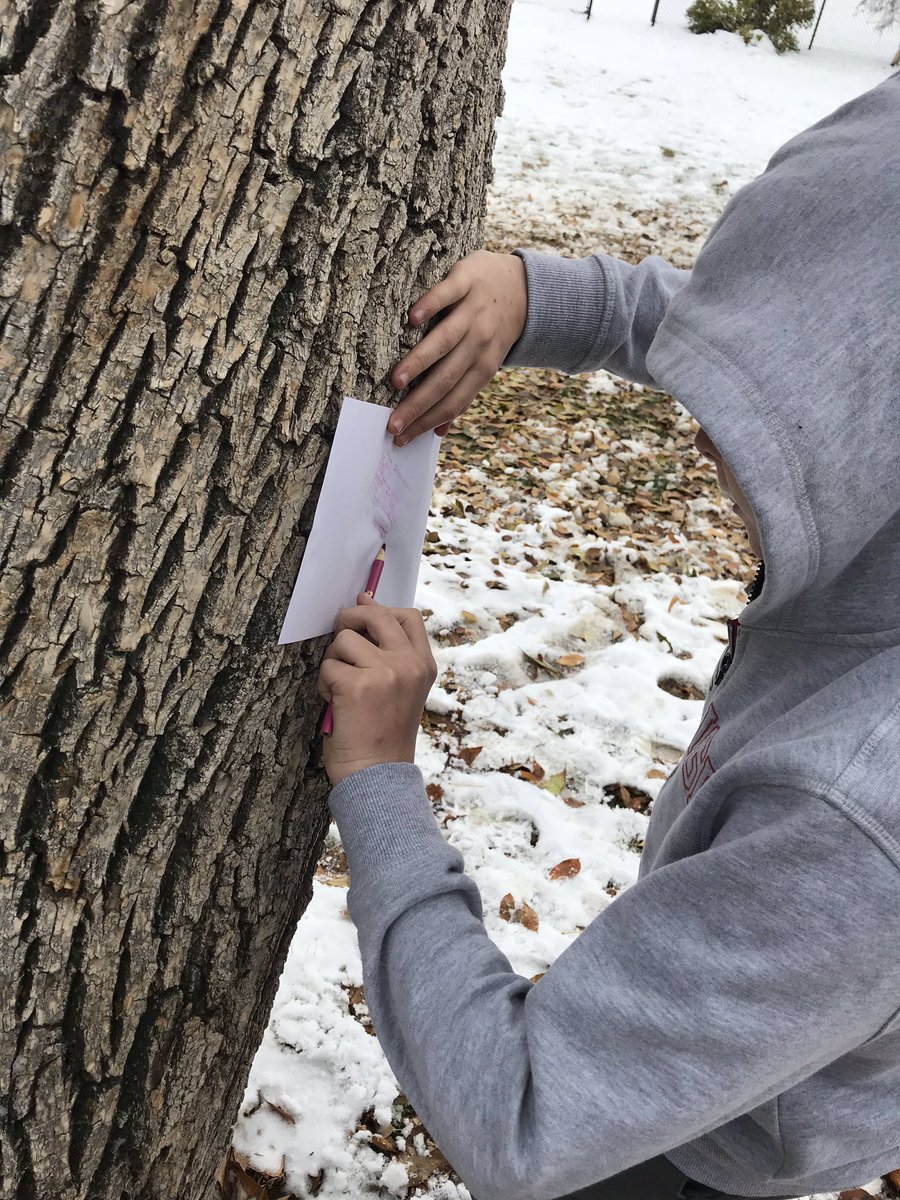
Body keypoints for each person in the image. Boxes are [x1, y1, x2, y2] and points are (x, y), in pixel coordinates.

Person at [315, 76, 900, 1200]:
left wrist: (381, 780)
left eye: (761, 417)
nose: (700, 429)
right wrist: (543, 296)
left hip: (701, 1154)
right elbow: (771, 321)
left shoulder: (853, 820)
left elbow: (526, 1119)